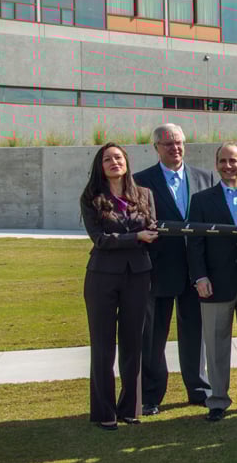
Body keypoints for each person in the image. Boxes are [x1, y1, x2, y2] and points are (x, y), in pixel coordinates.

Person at [133, 123, 213, 415]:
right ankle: (152, 395)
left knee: (195, 332)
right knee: (153, 336)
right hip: (158, 270)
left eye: (178, 142)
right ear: (156, 148)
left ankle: (199, 389)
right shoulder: (140, 181)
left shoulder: (205, 177)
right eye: (167, 144)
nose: (174, 148)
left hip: (197, 271)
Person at [79, 143, 158, 431]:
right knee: (102, 346)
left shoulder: (144, 194)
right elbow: (100, 239)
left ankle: (130, 408)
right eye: (107, 159)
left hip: (138, 275)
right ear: (100, 166)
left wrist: (142, 235)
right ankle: (104, 412)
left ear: (127, 162)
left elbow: (153, 227)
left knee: (133, 344)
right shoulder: (91, 198)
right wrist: (136, 238)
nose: (114, 162)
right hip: (102, 275)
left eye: (118, 157)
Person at [187, 142, 237, 421]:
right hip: (214, 283)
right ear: (216, 164)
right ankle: (217, 399)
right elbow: (194, 242)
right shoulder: (201, 199)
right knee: (216, 344)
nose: (228, 166)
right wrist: (200, 276)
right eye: (222, 161)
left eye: (233, 161)